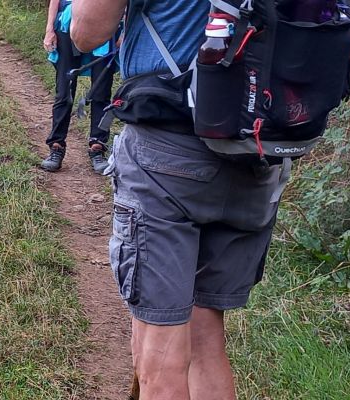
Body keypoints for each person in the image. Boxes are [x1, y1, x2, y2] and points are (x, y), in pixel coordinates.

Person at [70, 0, 292, 399]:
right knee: (206, 333)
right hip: (257, 152)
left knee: (163, 348)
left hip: (168, 154)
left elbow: (86, 33)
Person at [39, 0, 118, 174]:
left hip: (105, 25)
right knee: (64, 91)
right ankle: (56, 146)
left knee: (101, 91)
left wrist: (125, 31)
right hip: (67, 24)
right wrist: (49, 29)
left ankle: (98, 147)